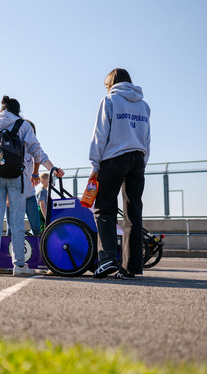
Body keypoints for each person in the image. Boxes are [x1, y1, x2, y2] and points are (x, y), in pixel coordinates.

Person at [0, 96, 63, 276]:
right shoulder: (23, 125)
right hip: (17, 176)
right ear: (16, 111)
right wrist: (52, 167)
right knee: (18, 222)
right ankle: (19, 265)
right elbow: (36, 150)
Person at [89, 68, 150, 280]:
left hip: (114, 158)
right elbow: (147, 137)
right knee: (133, 214)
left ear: (111, 83)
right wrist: (142, 162)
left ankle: (106, 260)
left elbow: (100, 134)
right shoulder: (144, 105)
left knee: (104, 209)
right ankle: (130, 267)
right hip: (138, 159)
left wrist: (94, 164)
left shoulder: (110, 101)